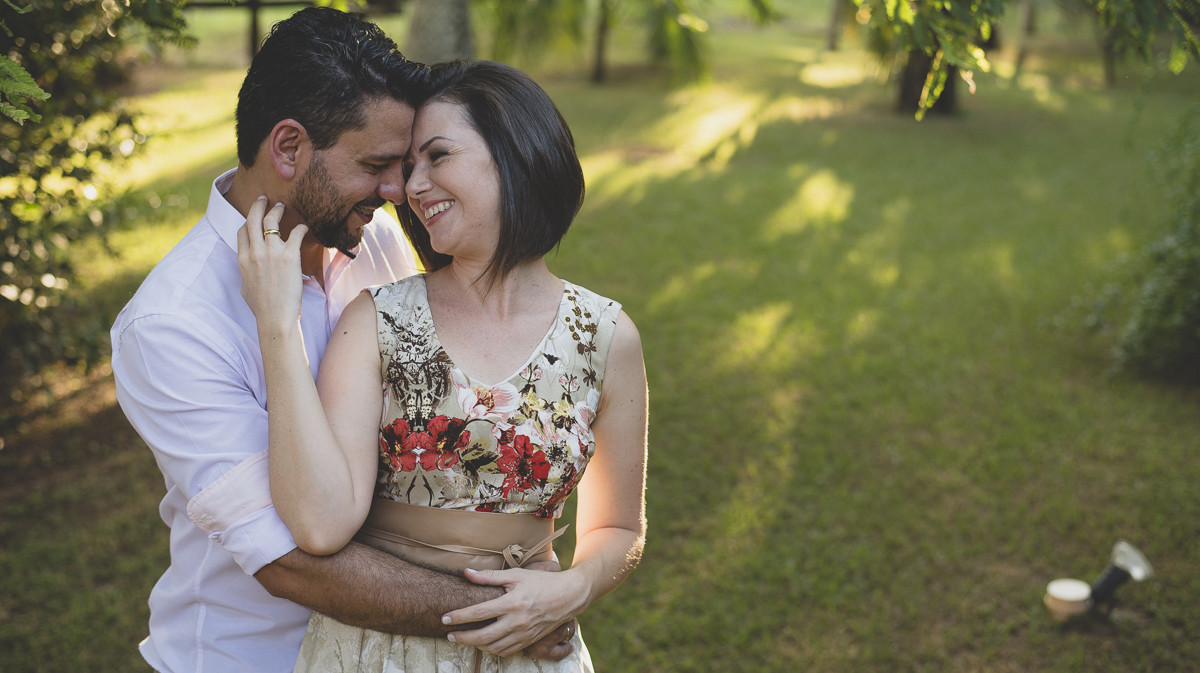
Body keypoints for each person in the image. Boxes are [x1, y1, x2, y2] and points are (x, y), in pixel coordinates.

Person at [111, 9, 573, 672]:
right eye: (377, 164)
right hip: (255, 657)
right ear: (289, 148)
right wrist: (505, 611)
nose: (399, 190)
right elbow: (293, 563)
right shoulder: (171, 325)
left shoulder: (372, 237)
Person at [236, 59, 649, 672]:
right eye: (407, 168)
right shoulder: (376, 321)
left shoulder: (605, 336)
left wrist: (573, 589)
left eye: (437, 156)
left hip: (534, 653)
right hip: (376, 652)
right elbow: (320, 526)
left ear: (515, 151)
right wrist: (277, 325)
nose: (409, 187)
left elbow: (618, 526)